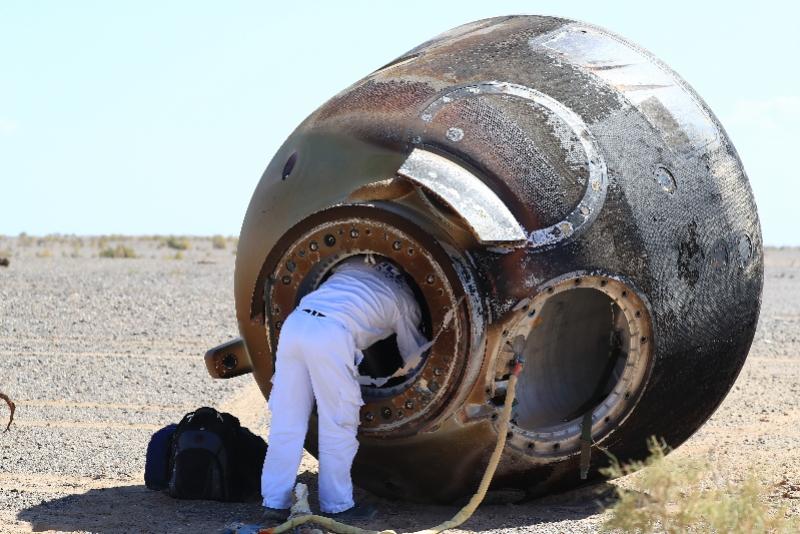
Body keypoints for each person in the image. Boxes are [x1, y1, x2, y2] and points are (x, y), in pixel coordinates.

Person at [260, 255, 429, 522]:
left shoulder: (355, 265)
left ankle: (274, 502)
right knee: (338, 422)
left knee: (287, 420)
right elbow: (414, 356)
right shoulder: (405, 299)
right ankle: (338, 506)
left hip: (296, 324)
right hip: (331, 334)